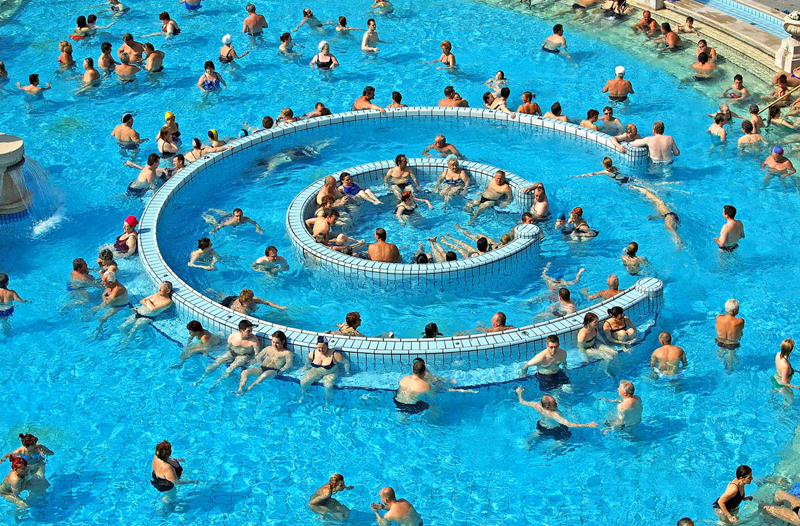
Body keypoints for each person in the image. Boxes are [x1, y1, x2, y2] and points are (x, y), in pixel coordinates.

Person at [195, 320, 261, 386]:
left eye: (251, 330)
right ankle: (202, 378)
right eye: (248, 331)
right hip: (232, 352)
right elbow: (228, 346)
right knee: (217, 362)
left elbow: (257, 354)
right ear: (241, 331)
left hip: (244, 356)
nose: (251, 333)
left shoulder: (254, 340)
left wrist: (253, 362)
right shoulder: (233, 336)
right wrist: (227, 356)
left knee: (232, 367)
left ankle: (218, 382)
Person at [515, 388, 597, 441]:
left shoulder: (536, 405)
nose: (556, 404)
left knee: (536, 434)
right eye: (554, 403)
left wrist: (519, 393)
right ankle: (550, 451)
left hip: (541, 425)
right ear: (547, 407)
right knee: (563, 441)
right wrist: (587, 425)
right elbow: (569, 424)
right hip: (554, 429)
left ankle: (527, 443)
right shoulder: (553, 414)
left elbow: (522, 402)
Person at [299, 336, 349, 402]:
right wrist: (305, 366)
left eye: (323, 347)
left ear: (327, 346)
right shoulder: (313, 353)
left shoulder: (334, 354)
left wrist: (347, 372)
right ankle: (303, 395)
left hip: (331, 372)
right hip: (316, 371)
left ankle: (327, 402)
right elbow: (308, 358)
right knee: (303, 382)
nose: (321, 349)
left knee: (328, 386)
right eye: (319, 347)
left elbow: (346, 362)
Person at [150, 440, 197, 506]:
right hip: (165, 485)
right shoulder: (167, 468)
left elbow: (164, 459)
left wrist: (176, 459)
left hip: (157, 477)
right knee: (171, 497)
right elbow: (176, 482)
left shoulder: (157, 456)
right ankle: (164, 508)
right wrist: (192, 481)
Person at [220, 288, 287, 313]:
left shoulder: (254, 299)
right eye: (248, 301)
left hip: (236, 298)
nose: (251, 301)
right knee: (221, 300)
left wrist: (279, 307)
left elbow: (267, 302)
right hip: (228, 303)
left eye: (251, 299)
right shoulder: (241, 309)